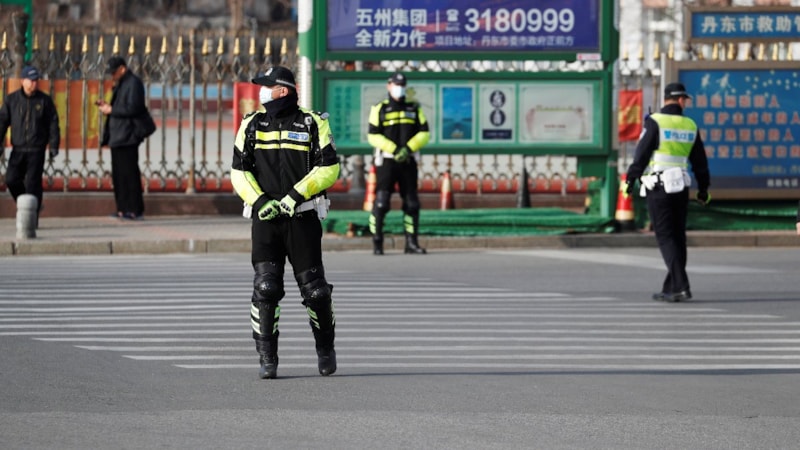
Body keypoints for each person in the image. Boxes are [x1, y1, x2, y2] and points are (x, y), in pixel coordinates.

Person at [231, 66, 340, 379]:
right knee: (266, 287)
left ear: (282, 90)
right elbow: (239, 170)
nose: (260, 92)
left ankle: (325, 348)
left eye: (266, 87)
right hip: (266, 220)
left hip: (302, 216)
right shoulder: (252, 124)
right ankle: (267, 357)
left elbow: (329, 168)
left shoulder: (312, 122)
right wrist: (260, 201)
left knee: (316, 291)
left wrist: (295, 195)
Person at [624, 82, 711, 303]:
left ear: (666, 99)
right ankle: (671, 286)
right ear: (682, 100)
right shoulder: (690, 125)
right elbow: (700, 162)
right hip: (680, 187)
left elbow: (641, 154)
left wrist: (630, 180)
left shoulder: (655, 122)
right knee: (678, 236)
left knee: (665, 237)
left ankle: (681, 286)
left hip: (659, 187)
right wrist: (703, 189)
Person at [367, 72, 431, 255]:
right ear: (389, 85)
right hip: (386, 161)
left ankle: (411, 242)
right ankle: (377, 242)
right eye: (396, 84)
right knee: (381, 202)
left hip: (408, 160)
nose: (399, 87)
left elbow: (424, 132)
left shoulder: (414, 108)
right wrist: (394, 149)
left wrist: (408, 148)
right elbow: (372, 135)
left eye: (402, 84)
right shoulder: (380, 108)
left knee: (412, 203)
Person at [0, 65, 60, 222]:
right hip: (18, 148)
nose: (34, 83)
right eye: (31, 80)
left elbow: (53, 123)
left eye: (36, 80)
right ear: (22, 81)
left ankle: (32, 218)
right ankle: (27, 204)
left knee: (33, 184)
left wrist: (54, 144)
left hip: (36, 149)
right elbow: (2, 122)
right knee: (11, 179)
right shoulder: (12, 100)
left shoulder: (44, 100)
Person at [98, 56, 146, 220]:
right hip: (118, 136)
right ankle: (122, 208)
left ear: (123, 69)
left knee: (129, 174)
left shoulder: (133, 83)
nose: (112, 75)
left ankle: (134, 209)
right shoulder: (122, 84)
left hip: (128, 136)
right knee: (118, 175)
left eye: (114, 72)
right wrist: (107, 106)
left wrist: (111, 109)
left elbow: (134, 108)